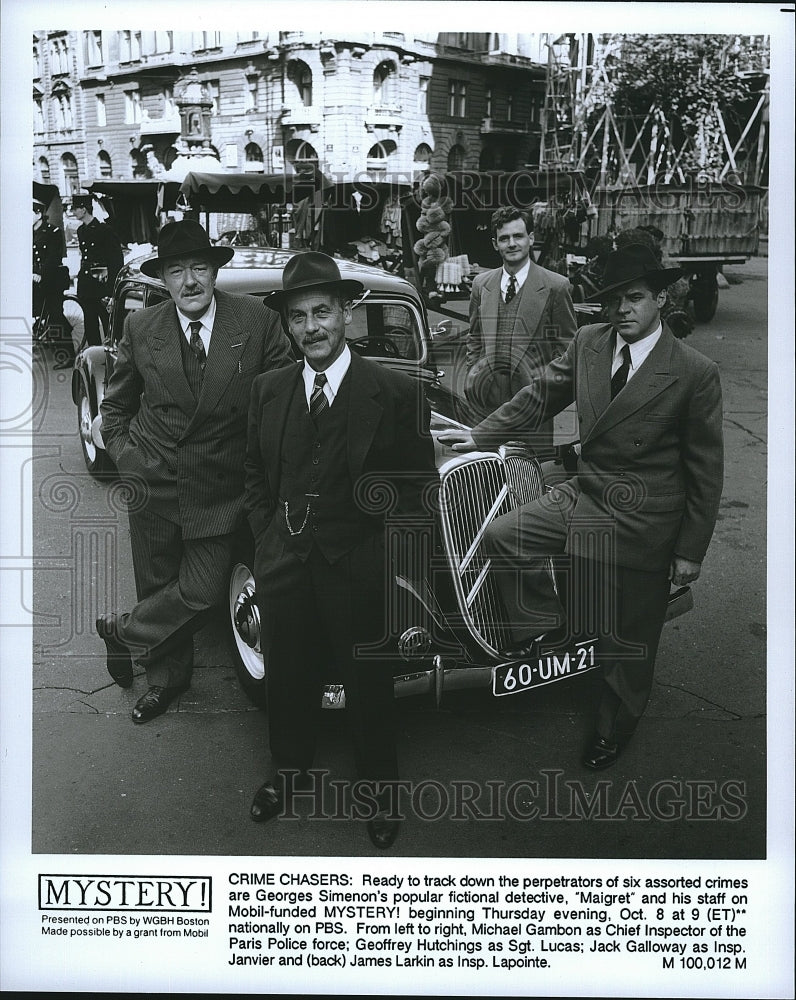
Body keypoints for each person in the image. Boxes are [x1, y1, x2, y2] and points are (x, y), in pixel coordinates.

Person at [439, 243, 723, 770]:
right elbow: (540, 394)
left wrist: (690, 551)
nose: (623, 311)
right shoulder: (591, 342)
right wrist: (480, 434)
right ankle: (544, 632)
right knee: (505, 536)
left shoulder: (693, 371)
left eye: (634, 298)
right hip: (586, 492)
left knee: (629, 639)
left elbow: (706, 472)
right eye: (613, 300)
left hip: (645, 516)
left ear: (661, 298)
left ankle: (614, 729)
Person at [244, 251, 437, 848]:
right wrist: (271, 538)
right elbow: (254, 476)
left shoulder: (395, 391)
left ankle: (380, 791)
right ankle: (289, 770)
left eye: (322, 312)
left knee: (369, 684)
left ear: (346, 314)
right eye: (298, 316)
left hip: (358, 566)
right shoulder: (269, 391)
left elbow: (417, 491)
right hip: (285, 563)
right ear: (287, 324)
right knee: (288, 676)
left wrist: (379, 554)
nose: (311, 328)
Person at [97, 220, 293, 724]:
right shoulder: (142, 328)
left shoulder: (255, 322)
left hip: (220, 490)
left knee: (202, 592)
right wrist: (129, 461)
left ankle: (119, 630)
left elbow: (280, 400)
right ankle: (165, 680)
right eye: (176, 270)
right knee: (156, 582)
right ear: (163, 277)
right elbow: (115, 408)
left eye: (199, 268)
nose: (189, 282)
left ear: (214, 271)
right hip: (153, 482)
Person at [464, 206, 577, 457]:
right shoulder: (482, 285)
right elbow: (474, 337)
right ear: (495, 244)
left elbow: (569, 352)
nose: (512, 243)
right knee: (485, 477)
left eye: (518, 236)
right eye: (504, 238)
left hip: (533, 409)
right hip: (486, 407)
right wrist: (473, 374)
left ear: (531, 239)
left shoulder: (556, 287)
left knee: (530, 482)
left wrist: (546, 391)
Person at [73, 194, 124, 352]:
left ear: (84, 209)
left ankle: (116, 354)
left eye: (75, 209)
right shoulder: (81, 231)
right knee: (90, 322)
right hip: (87, 285)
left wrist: (112, 289)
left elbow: (116, 261)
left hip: (102, 285)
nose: (73, 212)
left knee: (109, 322)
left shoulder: (104, 230)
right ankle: (95, 355)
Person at [33, 199, 70, 363]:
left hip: (52, 279)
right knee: (38, 311)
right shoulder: (28, 232)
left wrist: (40, 273)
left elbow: (54, 257)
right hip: (35, 280)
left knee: (55, 316)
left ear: (38, 214)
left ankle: (66, 355)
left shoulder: (53, 231)